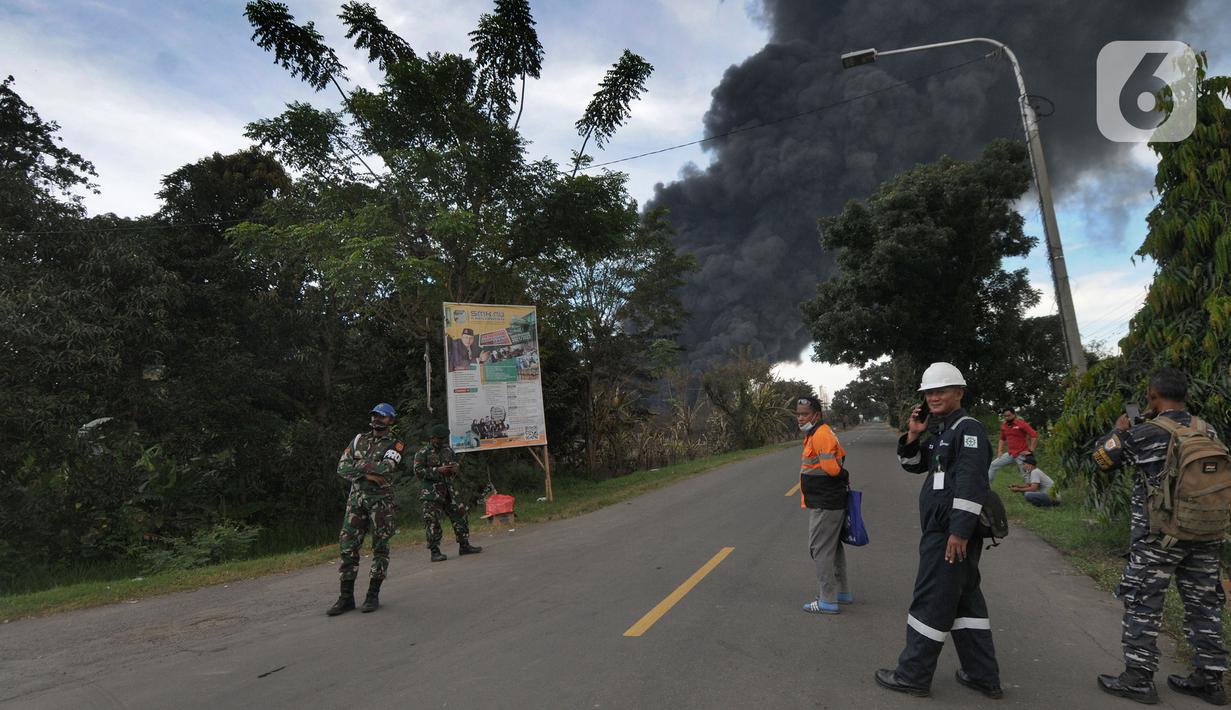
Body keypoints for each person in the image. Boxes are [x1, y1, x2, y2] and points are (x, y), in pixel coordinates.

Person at [1092, 368, 1227, 705]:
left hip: (1159, 539)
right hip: (1206, 533)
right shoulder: (1206, 430)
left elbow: (1102, 459)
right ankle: (1209, 681)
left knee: (1143, 604)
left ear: (1152, 395)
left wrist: (1119, 430)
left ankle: (1138, 679)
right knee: (1204, 606)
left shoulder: (1145, 432)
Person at [875, 362, 1002, 700]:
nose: (933, 397)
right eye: (929, 392)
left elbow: (972, 483)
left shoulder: (968, 430)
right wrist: (914, 435)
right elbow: (916, 466)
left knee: (932, 599)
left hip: (949, 535)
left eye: (941, 390)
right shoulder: (943, 431)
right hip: (944, 531)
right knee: (966, 603)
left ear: (959, 392)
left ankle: (913, 675)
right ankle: (982, 675)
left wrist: (959, 532)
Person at [326, 403, 404, 616]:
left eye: (383, 416)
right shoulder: (359, 439)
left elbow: (386, 468)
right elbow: (342, 467)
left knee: (380, 547)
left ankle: (372, 595)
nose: (377, 419)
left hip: (381, 503)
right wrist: (366, 473)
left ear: (391, 421)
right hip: (356, 502)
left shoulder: (395, 444)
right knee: (347, 546)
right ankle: (346, 598)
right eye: (375, 415)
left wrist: (358, 465)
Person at [794, 396, 850, 615]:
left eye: (804, 414)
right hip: (827, 500)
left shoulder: (821, 435)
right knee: (833, 548)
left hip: (826, 502)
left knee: (819, 549)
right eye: (798, 414)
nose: (800, 418)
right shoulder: (816, 434)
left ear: (816, 415)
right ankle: (842, 593)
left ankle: (827, 599)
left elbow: (833, 469)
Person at [414, 424, 483, 562]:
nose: (441, 441)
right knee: (433, 521)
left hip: (449, 490)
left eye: (444, 438)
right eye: (439, 438)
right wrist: (437, 470)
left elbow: (454, 463)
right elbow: (418, 471)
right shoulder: (423, 453)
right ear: (432, 438)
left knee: (461, 514)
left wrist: (455, 468)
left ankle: (464, 545)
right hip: (432, 493)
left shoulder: (447, 450)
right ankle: (435, 551)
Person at [987, 408, 1037, 483]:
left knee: (1027, 475)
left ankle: (1033, 492)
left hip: (1021, 454)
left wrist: (1031, 450)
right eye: (1005, 416)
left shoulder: (1021, 423)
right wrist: (999, 451)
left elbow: (1034, 435)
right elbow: (1002, 439)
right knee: (993, 465)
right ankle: (986, 487)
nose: (1007, 417)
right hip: (1010, 454)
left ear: (1014, 414)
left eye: (1009, 415)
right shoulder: (1004, 426)